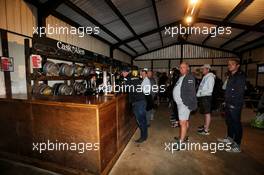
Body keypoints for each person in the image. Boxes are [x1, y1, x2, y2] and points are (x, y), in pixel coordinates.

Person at [217, 58, 246, 153]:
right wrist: (226, 101)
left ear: (237, 66)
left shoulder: (240, 76)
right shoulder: (231, 76)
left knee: (236, 123)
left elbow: (239, 92)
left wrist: (233, 103)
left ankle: (237, 144)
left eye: (232, 64)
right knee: (229, 121)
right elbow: (228, 91)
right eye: (228, 64)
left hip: (235, 104)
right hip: (228, 103)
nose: (229, 66)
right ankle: (229, 138)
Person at [173, 62, 197, 147]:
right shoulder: (182, 77)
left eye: (183, 67)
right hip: (180, 103)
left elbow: (191, 91)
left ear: (188, 68)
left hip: (184, 104)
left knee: (182, 123)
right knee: (185, 121)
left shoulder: (189, 77)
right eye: (180, 67)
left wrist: (187, 103)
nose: (181, 69)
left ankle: (181, 142)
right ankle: (183, 137)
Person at [121, 67, 148, 143]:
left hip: (138, 102)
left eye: (123, 72)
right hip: (142, 100)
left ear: (125, 72)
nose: (122, 74)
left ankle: (143, 137)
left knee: (140, 121)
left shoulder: (127, 78)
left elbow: (125, 89)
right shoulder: (134, 77)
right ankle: (144, 136)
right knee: (143, 120)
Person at [197, 64, 215, 135]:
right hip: (203, 96)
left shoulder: (210, 77)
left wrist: (201, 93)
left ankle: (206, 130)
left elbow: (210, 90)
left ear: (208, 69)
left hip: (206, 97)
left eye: (203, 69)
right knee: (205, 113)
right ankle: (205, 126)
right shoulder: (206, 77)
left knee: (207, 113)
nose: (202, 70)